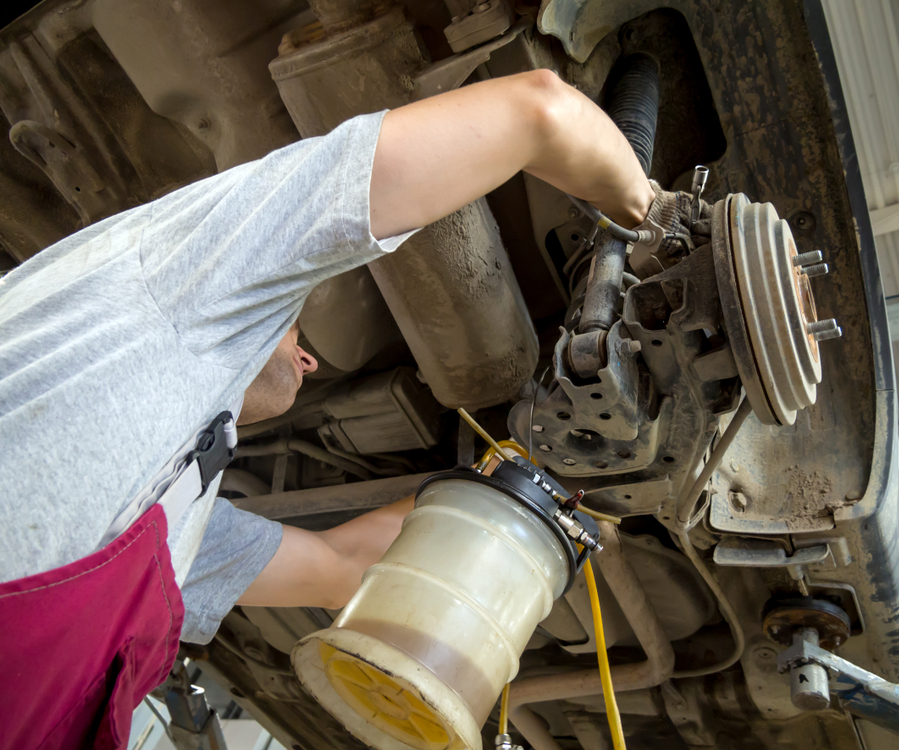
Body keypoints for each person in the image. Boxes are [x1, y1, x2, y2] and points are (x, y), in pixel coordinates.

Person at [0, 69, 658, 749]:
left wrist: (522, 479)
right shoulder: (170, 284)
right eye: (296, 334)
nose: (309, 359)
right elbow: (536, 110)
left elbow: (344, 564)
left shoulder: (180, 532)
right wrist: (654, 217)